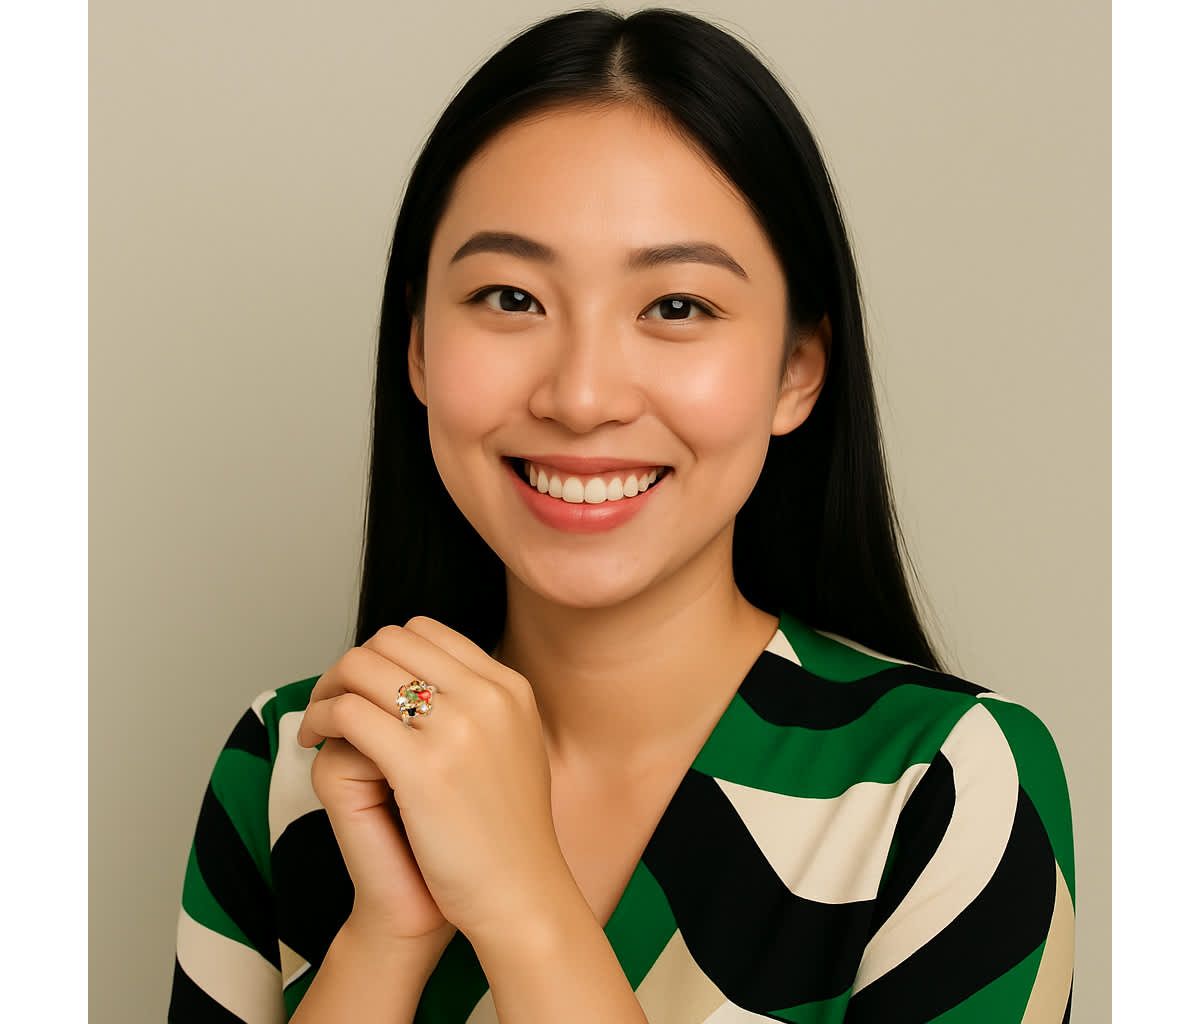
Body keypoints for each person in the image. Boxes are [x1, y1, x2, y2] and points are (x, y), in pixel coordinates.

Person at [168, 7, 1075, 1023]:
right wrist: (387, 938)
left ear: (797, 369)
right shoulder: (287, 765)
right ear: (418, 347)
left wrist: (526, 906)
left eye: (676, 307)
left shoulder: (945, 788)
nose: (583, 393)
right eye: (510, 298)